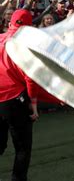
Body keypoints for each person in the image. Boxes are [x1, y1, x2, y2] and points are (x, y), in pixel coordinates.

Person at [0, 10, 38, 181]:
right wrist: (34, 107)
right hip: (15, 101)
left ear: (10, 23)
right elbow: (30, 79)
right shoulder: (24, 46)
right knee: (22, 148)